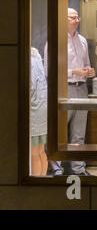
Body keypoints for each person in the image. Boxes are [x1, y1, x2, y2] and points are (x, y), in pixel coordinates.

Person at [44, 8, 95, 176]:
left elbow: (86, 63)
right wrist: (74, 72)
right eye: (72, 17)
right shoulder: (54, 40)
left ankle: (78, 169)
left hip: (82, 88)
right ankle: (57, 169)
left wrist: (88, 72)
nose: (76, 20)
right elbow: (49, 70)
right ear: (63, 20)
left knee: (79, 134)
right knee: (59, 132)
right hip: (62, 89)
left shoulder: (82, 41)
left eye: (77, 17)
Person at [30, 47, 48, 176]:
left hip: (34, 111)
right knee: (41, 151)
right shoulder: (36, 56)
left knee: (34, 153)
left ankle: (36, 186)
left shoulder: (29, 61)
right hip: (42, 110)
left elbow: (30, 88)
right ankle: (42, 181)